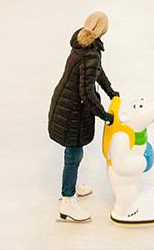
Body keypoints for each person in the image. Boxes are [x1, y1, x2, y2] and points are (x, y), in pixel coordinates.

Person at [48, 11, 119, 223]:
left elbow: (97, 72)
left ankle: (70, 185)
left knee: (74, 152)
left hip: (66, 103)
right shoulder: (90, 52)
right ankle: (67, 200)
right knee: (74, 152)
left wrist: (110, 91)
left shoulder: (83, 44)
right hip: (72, 110)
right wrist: (104, 115)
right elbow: (86, 92)